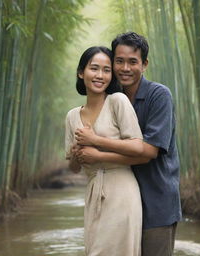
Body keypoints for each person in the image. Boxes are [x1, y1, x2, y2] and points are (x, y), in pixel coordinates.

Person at [75, 32, 182, 256]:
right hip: (119, 203)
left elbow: (149, 152)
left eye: (133, 62)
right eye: (119, 61)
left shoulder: (159, 95)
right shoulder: (111, 98)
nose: (125, 68)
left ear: (144, 65)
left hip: (156, 202)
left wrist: (96, 147)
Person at [65, 46, 143, 256]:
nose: (100, 75)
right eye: (94, 68)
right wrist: (76, 153)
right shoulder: (72, 116)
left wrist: (95, 142)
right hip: (93, 193)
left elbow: (137, 146)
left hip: (122, 190)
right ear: (81, 73)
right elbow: (73, 168)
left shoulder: (118, 101)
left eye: (107, 70)